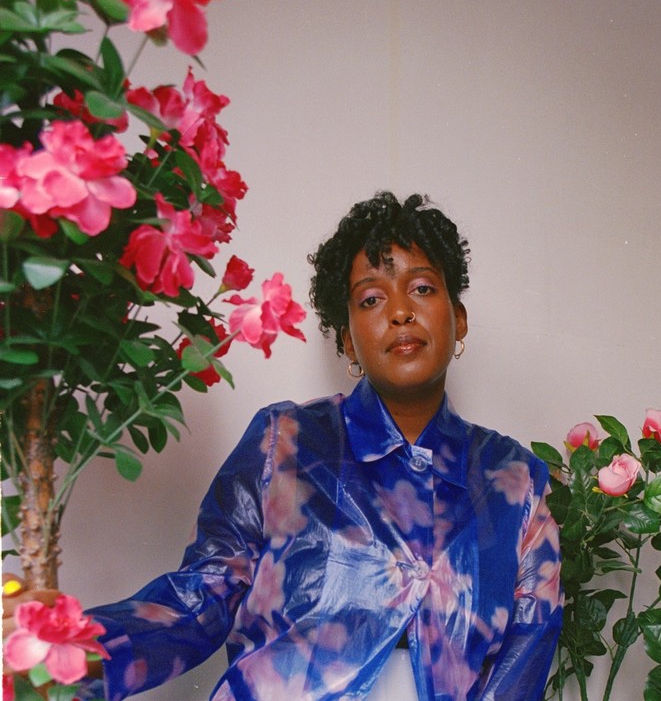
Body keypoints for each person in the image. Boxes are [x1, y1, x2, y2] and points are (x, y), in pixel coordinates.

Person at [7, 191, 563, 700]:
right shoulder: (285, 444)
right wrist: (65, 645)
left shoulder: (517, 483)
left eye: (422, 288)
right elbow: (199, 599)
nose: (400, 311)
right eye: (371, 298)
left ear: (458, 319)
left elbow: (523, 667)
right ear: (346, 337)